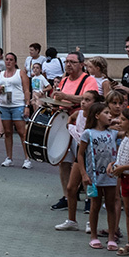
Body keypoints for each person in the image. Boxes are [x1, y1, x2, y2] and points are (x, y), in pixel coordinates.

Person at [55, 90, 100, 229]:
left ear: (95, 103)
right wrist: (70, 124)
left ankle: (90, 222)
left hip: (93, 157)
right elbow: (72, 117)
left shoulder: (97, 119)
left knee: (91, 190)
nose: (83, 102)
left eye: (87, 100)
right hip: (80, 156)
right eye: (83, 99)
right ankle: (71, 221)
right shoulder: (79, 113)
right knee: (70, 188)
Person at [78, 102, 119, 250]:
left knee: (110, 206)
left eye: (110, 113)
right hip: (94, 176)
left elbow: (127, 129)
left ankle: (111, 237)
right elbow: (80, 154)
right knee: (95, 205)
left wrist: (115, 121)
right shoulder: (88, 133)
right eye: (106, 113)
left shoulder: (113, 133)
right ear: (96, 116)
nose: (110, 115)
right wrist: (83, 173)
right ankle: (93, 236)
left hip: (110, 176)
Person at [0, 52, 32, 169]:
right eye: (7, 60)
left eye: (11, 60)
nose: (8, 62)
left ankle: (27, 158)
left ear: (15, 62)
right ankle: (9, 157)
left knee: (22, 132)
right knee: (7, 132)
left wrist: (27, 106)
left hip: (18, 104)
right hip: (5, 105)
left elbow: (26, 90)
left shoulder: (20, 73)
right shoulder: (0, 74)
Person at [109, 107, 129, 257]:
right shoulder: (126, 137)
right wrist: (114, 164)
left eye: (122, 120)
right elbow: (122, 156)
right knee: (128, 211)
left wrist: (123, 167)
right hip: (125, 179)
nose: (119, 122)